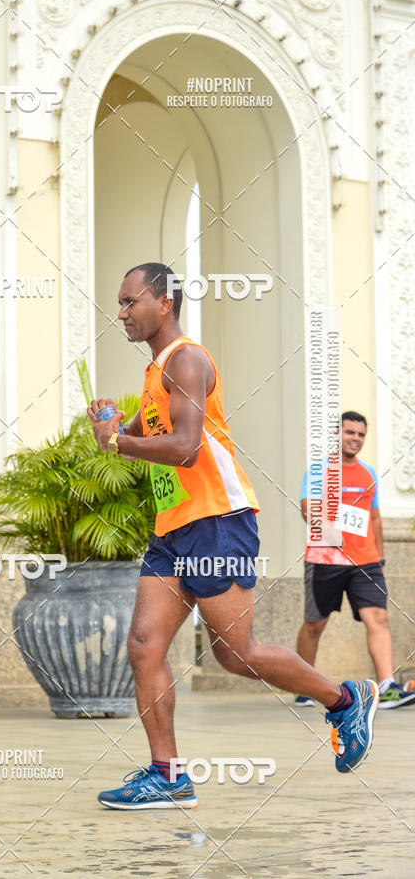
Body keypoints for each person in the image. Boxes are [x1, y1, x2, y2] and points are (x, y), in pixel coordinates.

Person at [87, 263, 379, 811]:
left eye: (130, 302)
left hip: (218, 521)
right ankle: (168, 776)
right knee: (145, 645)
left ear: (164, 303)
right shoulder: (155, 375)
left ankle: (346, 699)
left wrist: (118, 445)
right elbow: (146, 438)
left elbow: (186, 447)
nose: (121, 313)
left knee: (235, 654)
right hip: (174, 529)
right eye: (120, 304)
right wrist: (112, 426)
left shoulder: (188, 360)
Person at [295, 411, 415, 710]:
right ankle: (302, 684)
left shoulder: (369, 474)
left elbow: (374, 517)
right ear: (337, 435)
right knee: (314, 625)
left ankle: (387, 686)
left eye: (361, 435)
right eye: (350, 433)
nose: (356, 439)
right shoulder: (319, 471)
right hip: (325, 560)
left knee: (379, 617)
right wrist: (329, 531)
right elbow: (307, 508)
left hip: (366, 562)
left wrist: (380, 554)